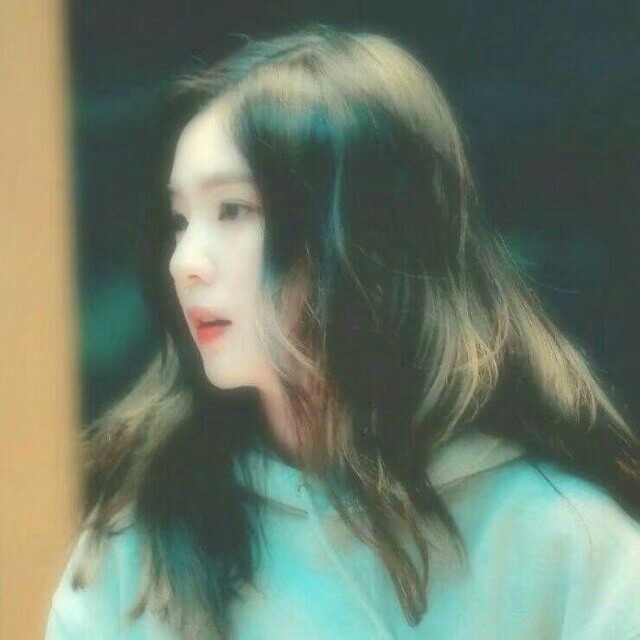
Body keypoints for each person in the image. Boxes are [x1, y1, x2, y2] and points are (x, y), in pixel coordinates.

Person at [45, 23, 640, 640]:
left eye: (233, 210)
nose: (185, 262)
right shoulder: (139, 545)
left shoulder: (566, 542)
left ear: (365, 236)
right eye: (180, 220)